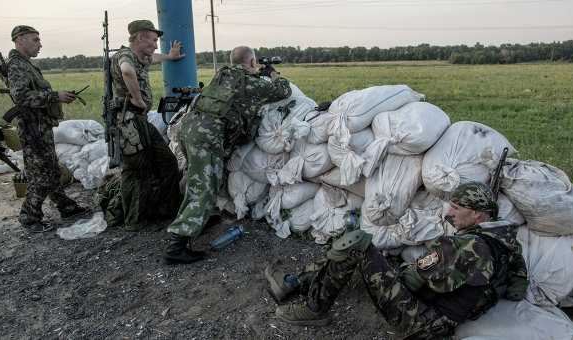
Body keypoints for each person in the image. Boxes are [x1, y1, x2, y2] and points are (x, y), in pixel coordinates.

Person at [265, 182, 529, 338]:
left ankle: (314, 308)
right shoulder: (508, 244)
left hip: (419, 323)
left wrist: (387, 271)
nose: (450, 214)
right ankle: (294, 281)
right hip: (443, 321)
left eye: (457, 209)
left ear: (478, 215)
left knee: (358, 243)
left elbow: (410, 282)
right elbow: (517, 291)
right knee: (370, 261)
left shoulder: (465, 246)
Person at [163, 46, 292, 265]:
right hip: (207, 139)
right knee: (204, 188)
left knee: (194, 179)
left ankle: (196, 221)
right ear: (252, 63)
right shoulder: (250, 83)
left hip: (187, 130)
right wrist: (271, 72)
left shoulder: (221, 75)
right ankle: (176, 246)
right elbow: (284, 90)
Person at [6, 25, 89, 232]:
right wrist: (55, 96)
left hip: (41, 126)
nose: (40, 44)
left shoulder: (27, 65)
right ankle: (29, 217)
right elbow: (21, 96)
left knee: (52, 170)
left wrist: (59, 97)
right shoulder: (17, 65)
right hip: (32, 128)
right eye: (35, 40)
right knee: (41, 175)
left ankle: (66, 206)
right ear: (20, 40)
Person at [110, 20, 184, 232]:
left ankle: (165, 208)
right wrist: (137, 99)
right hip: (128, 121)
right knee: (136, 170)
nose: (155, 44)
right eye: (153, 40)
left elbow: (152, 59)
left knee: (167, 160)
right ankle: (134, 220)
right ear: (140, 37)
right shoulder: (125, 56)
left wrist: (170, 57)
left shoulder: (139, 57)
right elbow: (126, 71)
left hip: (140, 121)